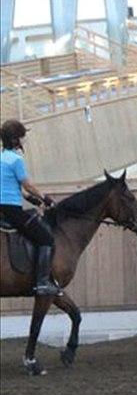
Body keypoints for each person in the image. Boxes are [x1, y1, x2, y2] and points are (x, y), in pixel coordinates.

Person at [0, 119, 60, 295]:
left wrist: (32, 200)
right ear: (14, 140)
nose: (23, 140)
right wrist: (45, 198)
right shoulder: (16, 160)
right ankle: (42, 283)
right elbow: (28, 185)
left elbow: (12, 187)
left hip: (3, 208)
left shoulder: (1, 158)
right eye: (22, 137)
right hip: (12, 211)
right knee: (46, 238)